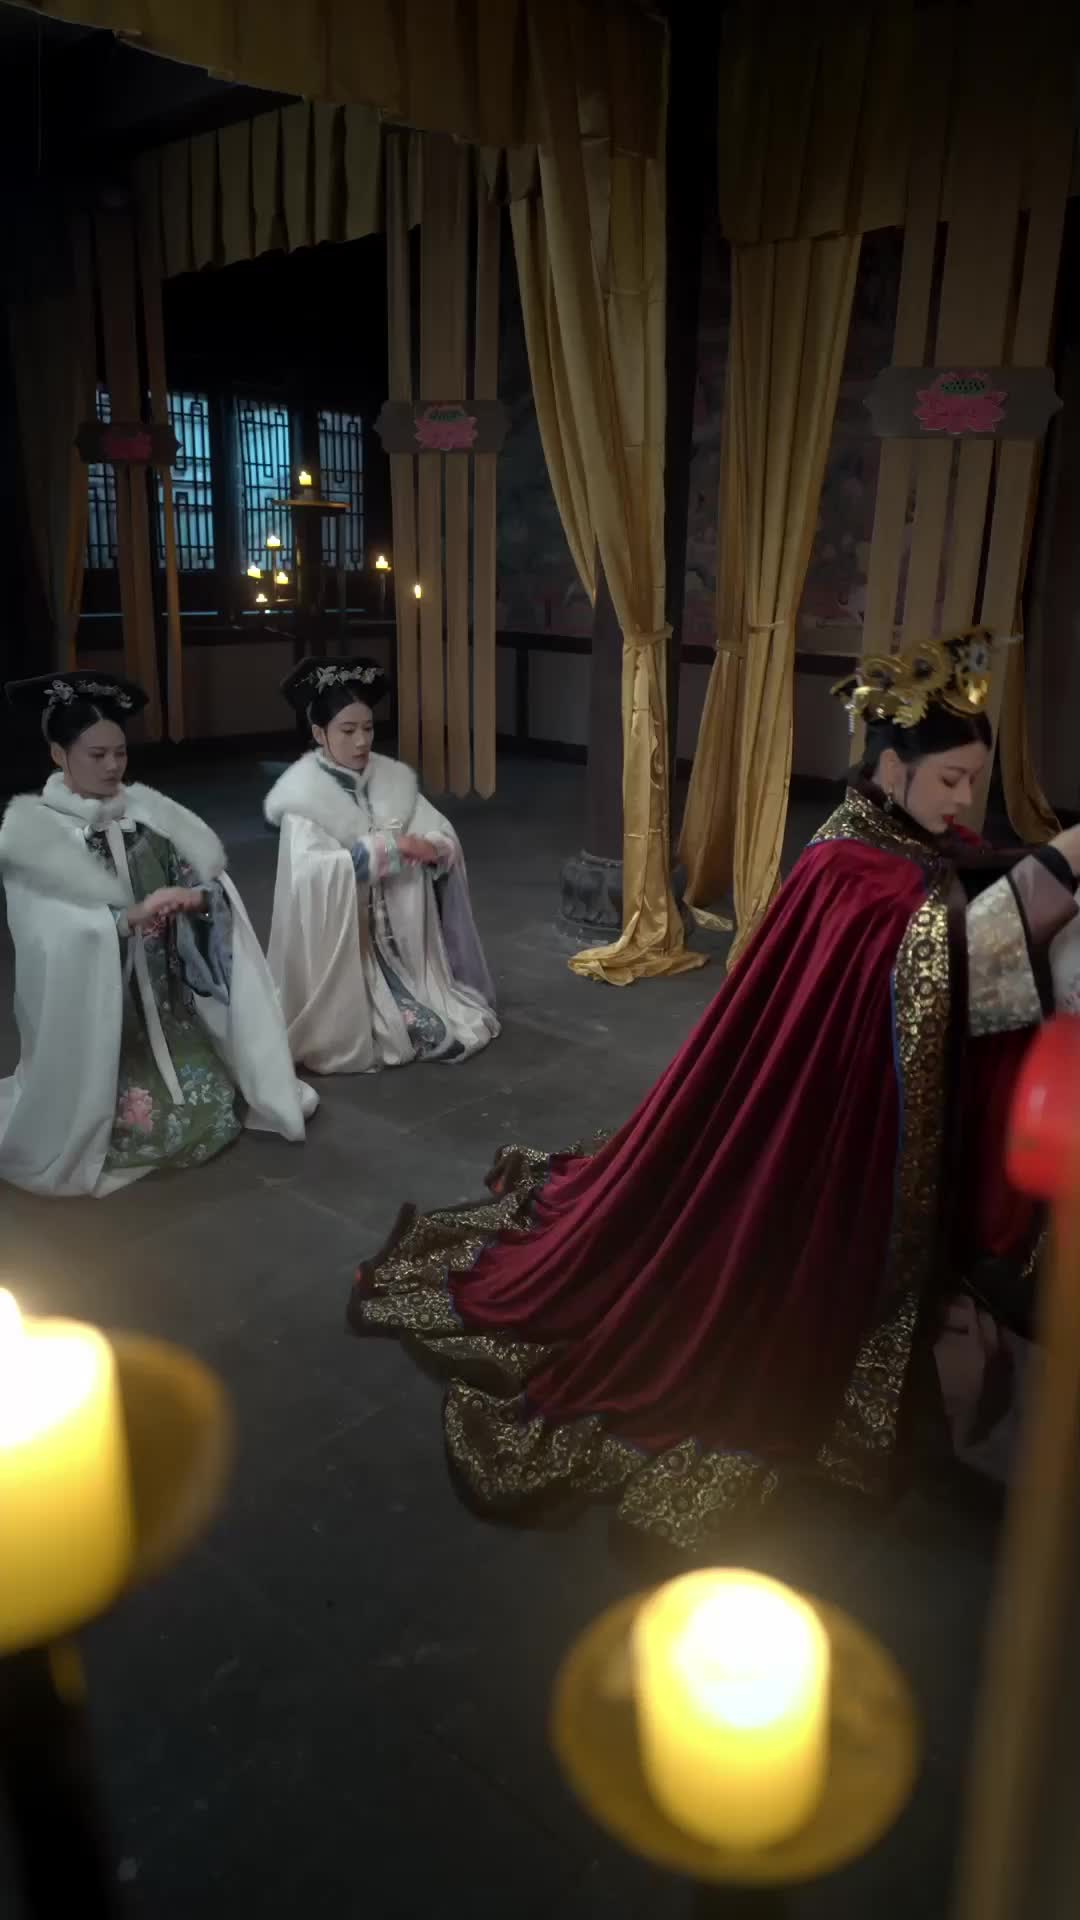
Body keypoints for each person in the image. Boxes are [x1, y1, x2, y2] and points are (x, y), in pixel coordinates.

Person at [349, 630, 1080, 1551]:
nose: (966, 799)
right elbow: (946, 949)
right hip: (810, 1129)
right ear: (892, 769)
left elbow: (961, 904)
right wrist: (1057, 872)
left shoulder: (909, 837)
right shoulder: (848, 864)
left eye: (975, 780)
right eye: (951, 780)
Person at [0, 671, 317, 1198]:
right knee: (131, 1125)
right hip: (101, 1020)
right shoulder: (34, 833)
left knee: (210, 1103)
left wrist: (196, 899)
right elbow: (44, 932)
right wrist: (124, 920)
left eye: (120, 753)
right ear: (58, 754)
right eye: (96, 755)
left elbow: (202, 877)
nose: (113, 766)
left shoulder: (146, 814)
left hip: (166, 1006)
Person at [264, 657, 498, 1073]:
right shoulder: (304, 795)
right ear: (319, 733)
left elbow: (439, 832)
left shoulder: (390, 779)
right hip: (349, 953)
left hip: (402, 947)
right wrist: (387, 850)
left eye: (368, 729)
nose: (361, 742)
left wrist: (434, 847)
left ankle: (409, 996)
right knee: (418, 1032)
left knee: (449, 1025)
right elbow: (309, 874)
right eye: (347, 731)